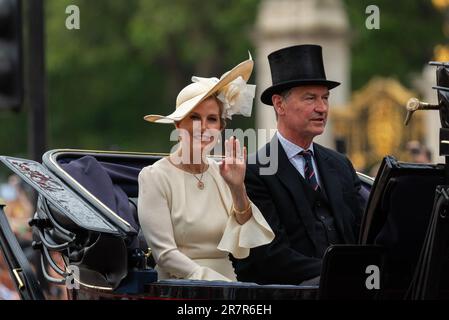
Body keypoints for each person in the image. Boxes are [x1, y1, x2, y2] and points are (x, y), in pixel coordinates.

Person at [233, 44, 365, 285]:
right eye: (310, 98)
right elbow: (269, 256)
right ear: (279, 104)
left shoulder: (340, 165)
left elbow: (365, 230)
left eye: (325, 98)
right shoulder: (256, 171)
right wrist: (338, 272)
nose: (322, 108)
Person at [138, 56, 274, 281]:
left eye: (212, 119)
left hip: (231, 287)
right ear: (178, 124)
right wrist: (206, 278)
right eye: (194, 117)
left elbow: (247, 242)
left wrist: (238, 188)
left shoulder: (224, 173)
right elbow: (165, 254)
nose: (203, 127)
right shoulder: (154, 177)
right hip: (181, 287)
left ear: (221, 127)